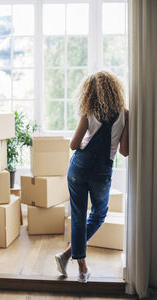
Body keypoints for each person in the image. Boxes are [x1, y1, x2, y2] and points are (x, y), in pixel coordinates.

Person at [55, 71, 129, 283]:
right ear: (115, 91)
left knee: (78, 216)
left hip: (78, 167)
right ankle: (71, 259)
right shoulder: (125, 114)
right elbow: (124, 151)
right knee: (98, 214)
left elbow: (73, 145)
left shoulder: (88, 113)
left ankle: (77, 264)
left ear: (91, 93)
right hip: (101, 171)